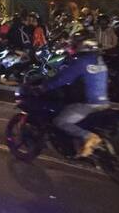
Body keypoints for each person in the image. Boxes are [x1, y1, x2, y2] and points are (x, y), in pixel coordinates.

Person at [40, 30, 109, 158]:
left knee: (60, 121)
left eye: (75, 44)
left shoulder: (81, 62)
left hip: (87, 105)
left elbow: (62, 79)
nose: (73, 47)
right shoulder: (100, 60)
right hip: (104, 103)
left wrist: (44, 87)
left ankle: (88, 136)